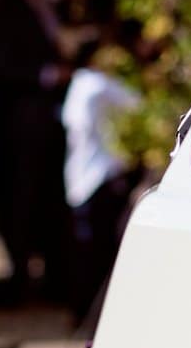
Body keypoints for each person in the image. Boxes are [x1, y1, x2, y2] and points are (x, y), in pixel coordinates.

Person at [0, 0, 70, 300]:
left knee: (45, 196)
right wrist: (49, 75)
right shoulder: (7, 7)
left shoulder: (48, 3)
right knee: (21, 196)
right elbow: (1, 66)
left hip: (46, 120)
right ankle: (20, 276)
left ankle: (49, 275)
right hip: (21, 121)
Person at [60, 34, 143, 327]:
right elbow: (137, 103)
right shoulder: (97, 85)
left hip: (82, 176)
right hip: (99, 175)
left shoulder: (79, 85)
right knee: (99, 252)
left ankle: (84, 312)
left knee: (87, 250)